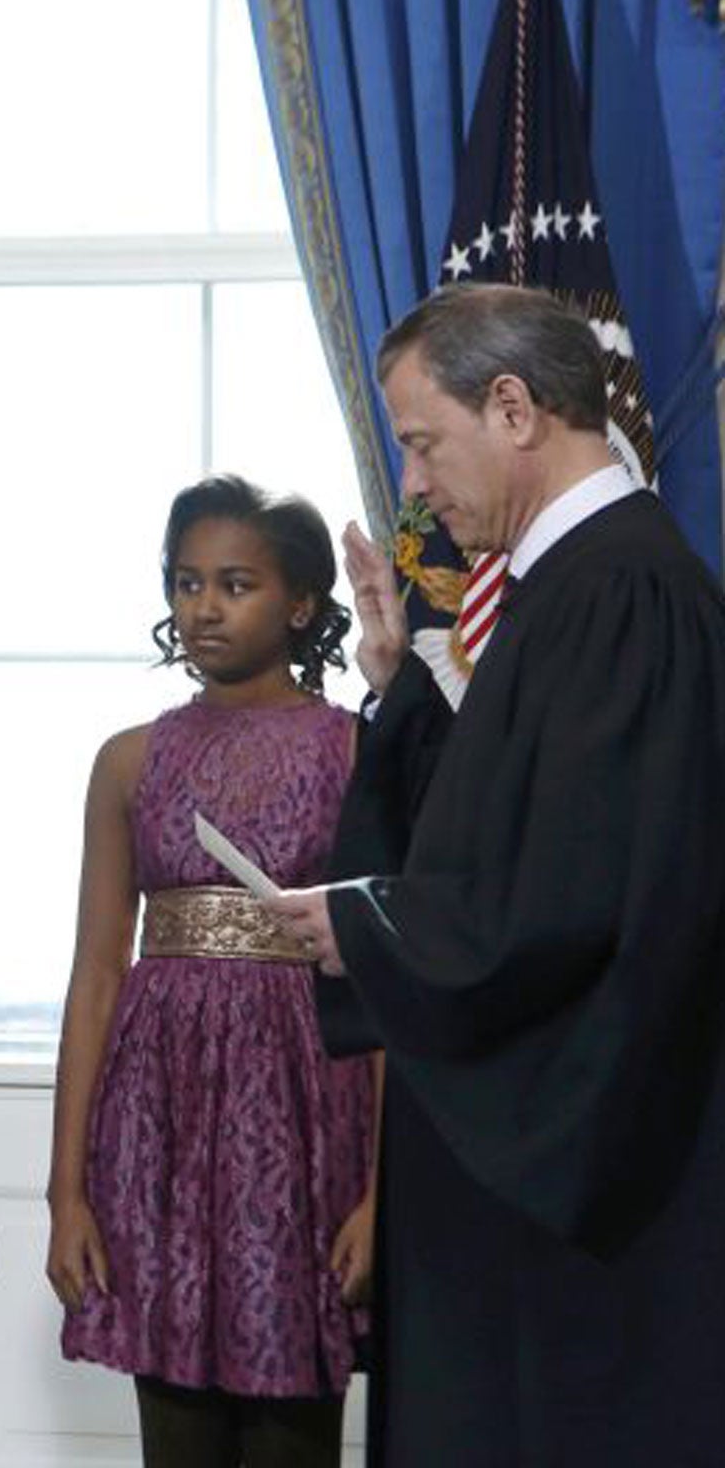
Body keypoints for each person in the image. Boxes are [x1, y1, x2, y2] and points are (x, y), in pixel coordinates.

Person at [271, 281, 725, 1466]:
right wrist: (396, 683)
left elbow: (581, 887)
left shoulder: (620, 592)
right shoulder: (571, 592)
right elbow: (501, 826)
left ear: (513, 408)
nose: (412, 485)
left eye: (421, 442)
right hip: (521, 1181)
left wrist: (366, 932)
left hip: (577, 1189)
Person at [46, 476, 378, 1468]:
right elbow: (96, 974)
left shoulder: (351, 752)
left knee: (289, 1434)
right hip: (159, 1132)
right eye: (185, 583)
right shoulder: (127, 762)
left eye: (233, 584)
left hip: (303, 1125)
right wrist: (67, 1189)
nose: (202, 607)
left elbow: (385, 986)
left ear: (302, 604)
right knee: (176, 1431)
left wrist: (380, 1192)